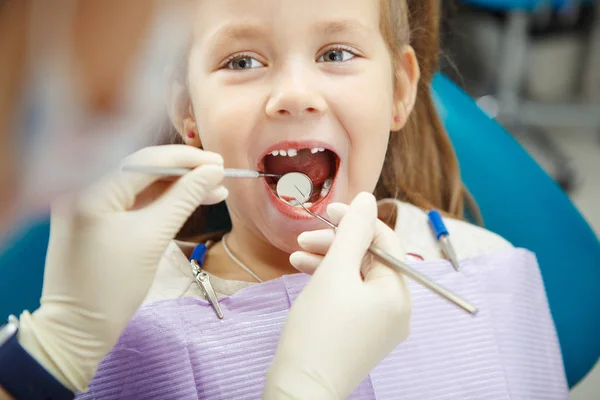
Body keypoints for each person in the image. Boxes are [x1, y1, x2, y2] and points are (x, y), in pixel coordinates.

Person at [2, 0, 568, 398]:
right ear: (187, 114)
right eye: (241, 61)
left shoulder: (483, 266)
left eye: (337, 53)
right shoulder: (125, 314)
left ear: (398, 91)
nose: (294, 94)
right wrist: (54, 350)